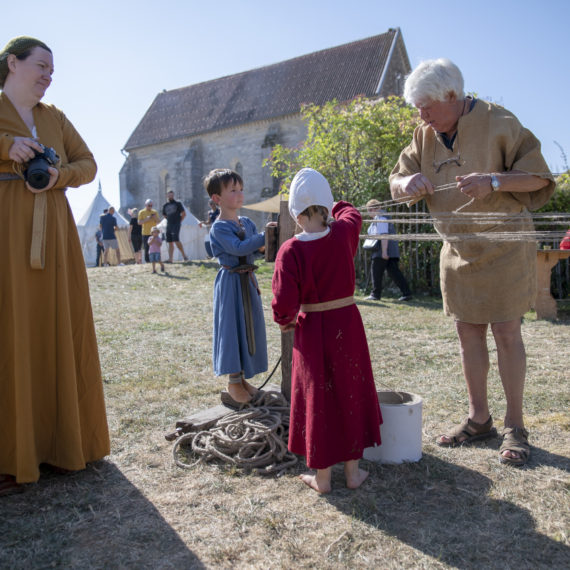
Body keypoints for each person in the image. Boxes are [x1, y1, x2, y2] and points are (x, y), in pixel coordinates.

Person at [389, 58, 555, 466]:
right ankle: (479, 420)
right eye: (417, 108)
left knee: (506, 333)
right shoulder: (423, 135)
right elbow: (396, 183)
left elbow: (539, 177)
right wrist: (407, 182)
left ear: (451, 96)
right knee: (468, 334)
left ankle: (515, 427)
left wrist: (494, 181)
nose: (421, 115)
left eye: (426, 106)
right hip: (458, 253)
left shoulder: (501, 121)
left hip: (504, 247)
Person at [0, 36, 110, 495]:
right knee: (10, 332)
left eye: (52, 69)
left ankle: (63, 445)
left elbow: (88, 164)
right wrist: (7, 145)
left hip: (56, 239)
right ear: (12, 63)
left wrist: (58, 176)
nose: (48, 75)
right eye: (41, 66)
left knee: (57, 329)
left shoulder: (54, 118)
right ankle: (10, 458)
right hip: (5, 237)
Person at [272, 168, 382, 493]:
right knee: (349, 390)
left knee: (316, 396)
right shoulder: (345, 231)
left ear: (295, 211)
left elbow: (283, 304)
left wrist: (286, 320)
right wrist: (334, 206)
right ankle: (352, 473)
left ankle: (322, 478)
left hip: (312, 332)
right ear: (326, 205)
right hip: (346, 325)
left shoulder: (290, 250)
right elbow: (351, 212)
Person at [205, 168, 268, 404]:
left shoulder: (248, 222)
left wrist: (268, 240)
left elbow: (258, 249)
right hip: (231, 283)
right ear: (217, 198)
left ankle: (242, 379)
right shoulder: (219, 228)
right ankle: (233, 381)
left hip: (248, 282)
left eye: (241, 189)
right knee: (232, 328)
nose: (239, 194)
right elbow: (240, 248)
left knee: (248, 327)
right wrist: (264, 236)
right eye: (233, 190)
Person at [365, 198, 412, 302]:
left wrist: (385, 252)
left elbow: (384, 235)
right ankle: (407, 293)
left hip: (382, 250)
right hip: (388, 250)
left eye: (370, 210)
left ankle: (375, 294)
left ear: (377, 208)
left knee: (376, 271)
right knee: (394, 272)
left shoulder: (381, 218)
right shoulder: (380, 218)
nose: (369, 212)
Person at [162, 190, 188, 263]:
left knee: (176, 240)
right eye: (169, 195)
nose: (170, 196)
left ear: (173, 195)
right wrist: (169, 220)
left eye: (172, 195)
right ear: (167, 196)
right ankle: (170, 259)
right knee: (170, 241)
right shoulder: (165, 205)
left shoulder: (178, 204)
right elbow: (164, 215)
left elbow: (184, 214)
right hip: (169, 225)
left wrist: (178, 222)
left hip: (176, 224)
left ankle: (184, 256)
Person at [138, 199, 159, 263]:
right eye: (149, 205)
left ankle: (155, 260)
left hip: (154, 233)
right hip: (145, 233)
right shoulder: (141, 212)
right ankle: (148, 261)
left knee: (155, 246)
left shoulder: (154, 212)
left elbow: (159, 221)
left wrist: (155, 217)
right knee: (147, 247)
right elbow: (139, 222)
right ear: (145, 205)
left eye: (151, 205)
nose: (150, 207)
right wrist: (147, 219)